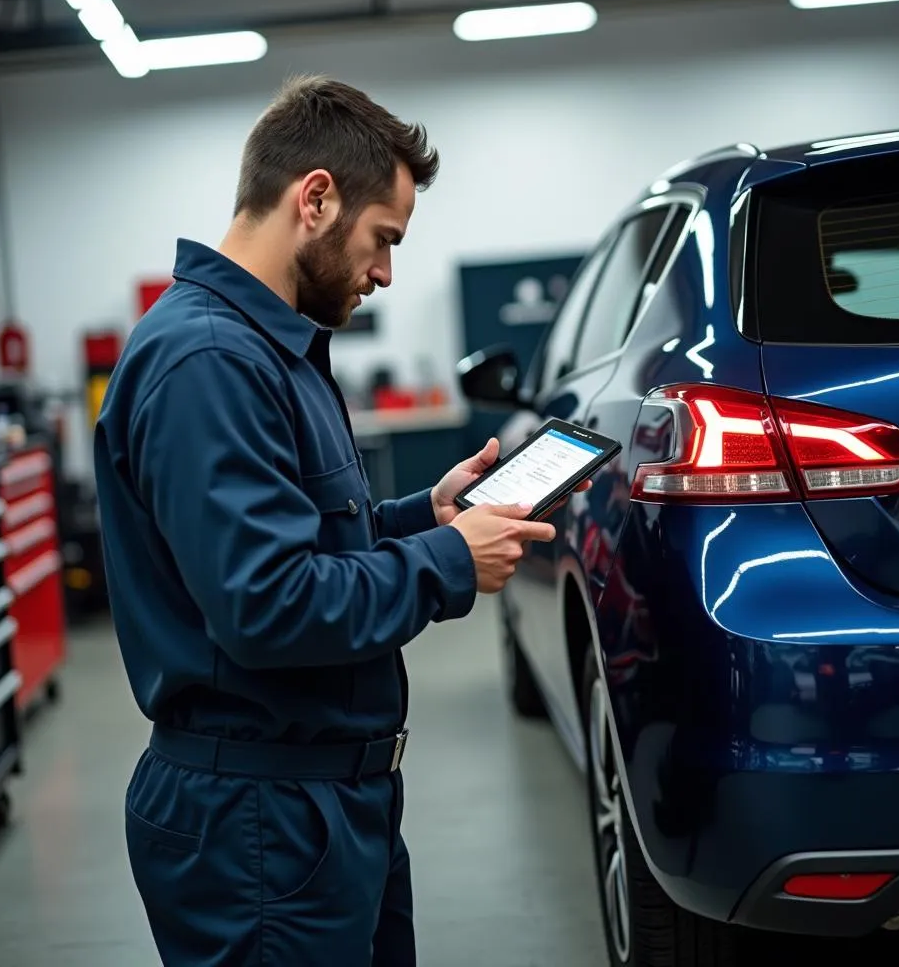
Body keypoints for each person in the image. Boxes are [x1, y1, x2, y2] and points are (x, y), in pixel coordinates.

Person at [93, 74, 581, 966]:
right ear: (315, 198)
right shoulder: (209, 361)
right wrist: (445, 560)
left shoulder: (273, 350)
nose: (386, 272)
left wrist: (420, 519)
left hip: (317, 812)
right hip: (258, 830)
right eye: (383, 238)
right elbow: (269, 606)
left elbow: (299, 539)